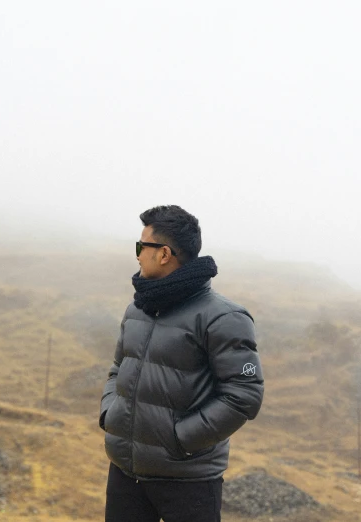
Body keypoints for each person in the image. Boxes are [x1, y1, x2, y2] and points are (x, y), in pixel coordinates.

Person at [99, 205, 264, 522]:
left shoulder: (224, 317)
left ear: (163, 254)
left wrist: (180, 440)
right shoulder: (138, 309)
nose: (136, 255)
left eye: (140, 246)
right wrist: (111, 413)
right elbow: (118, 368)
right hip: (125, 472)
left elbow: (244, 395)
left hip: (189, 481)